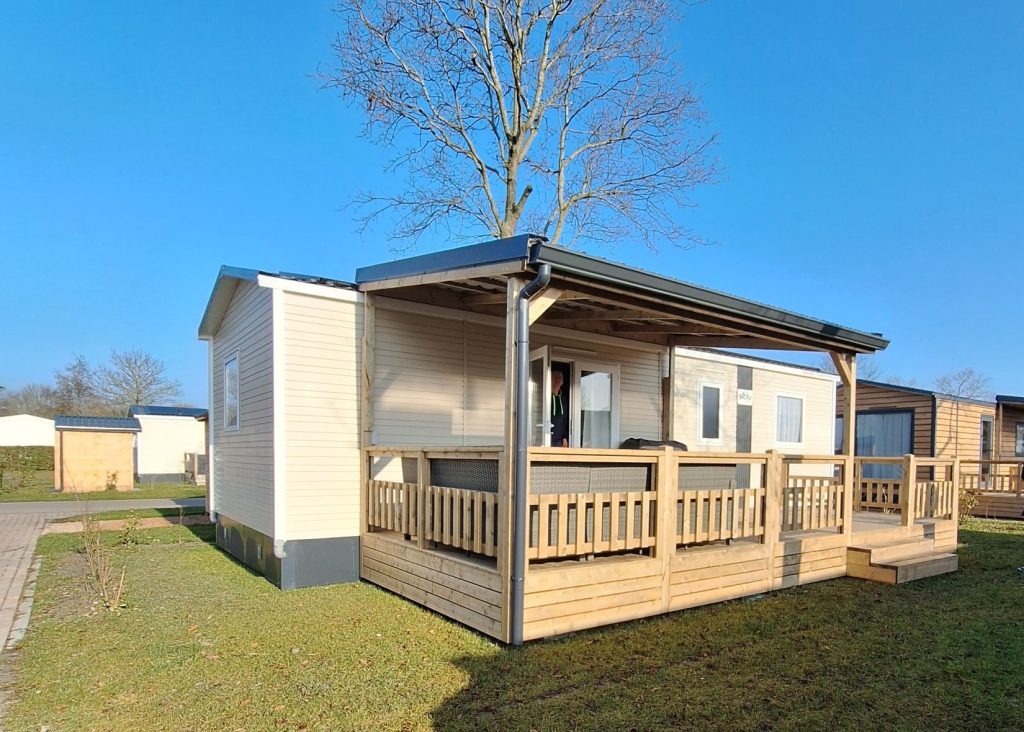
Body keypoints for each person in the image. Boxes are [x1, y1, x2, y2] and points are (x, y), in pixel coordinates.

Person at [550, 368, 569, 447]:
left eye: (559, 378)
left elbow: (564, 420)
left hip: (558, 441)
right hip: (545, 438)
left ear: (562, 382)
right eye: (555, 377)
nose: (557, 379)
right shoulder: (546, 397)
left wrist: (564, 437)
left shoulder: (563, 399)